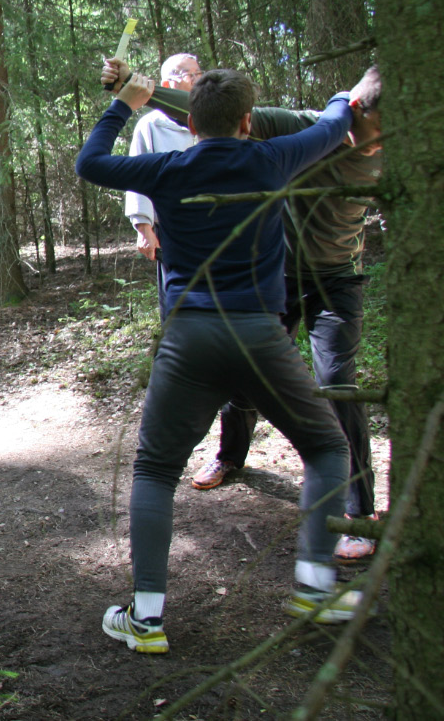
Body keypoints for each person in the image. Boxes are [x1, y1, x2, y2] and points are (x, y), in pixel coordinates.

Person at [77, 68, 358, 654]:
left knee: (156, 471)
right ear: (248, 121)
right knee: (328, 450)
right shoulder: (272, 157)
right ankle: (315, 586)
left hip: (190, 339)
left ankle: (146, 620)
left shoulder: (167, 167)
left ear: (189, 124)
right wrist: (341, 96)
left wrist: (123, 107)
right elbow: (336, 125)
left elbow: (90, 163)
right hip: (261, 336)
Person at [105, 61, 386, 561]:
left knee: (338, 383)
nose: (382, 143)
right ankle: (231, 456)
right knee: (244, 375)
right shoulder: (302, 127)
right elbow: (214, 117)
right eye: (379, 131)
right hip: (280, 278)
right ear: (358, 108)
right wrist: (137, 92)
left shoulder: (388, 151)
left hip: (339, 280)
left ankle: (357, 513)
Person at [125, 53, 201, 321]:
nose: (197, 82)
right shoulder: (151, 126)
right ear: (168, 85)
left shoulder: (211, 118)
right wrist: (144, 227)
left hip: (217, 226)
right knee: (177, 308)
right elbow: (137, 177)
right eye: (190, 76)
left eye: (199, 75)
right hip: (173, 230)